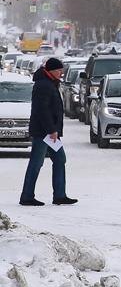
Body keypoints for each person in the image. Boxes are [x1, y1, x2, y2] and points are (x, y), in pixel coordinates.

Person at [20, 58, 78, 206]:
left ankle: (59, 195)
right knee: (36, 163)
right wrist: (51, 130)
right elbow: (42, 110)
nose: (61, 73)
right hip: (44, 132)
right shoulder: (44, 85)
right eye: (59, 71)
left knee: (60, 159)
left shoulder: (50, 83)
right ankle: (27, 196)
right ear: (50, 70)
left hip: (51, 133)